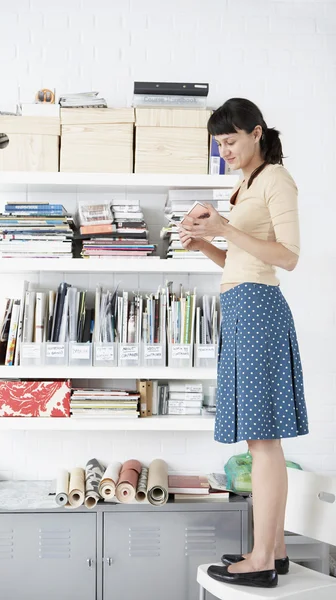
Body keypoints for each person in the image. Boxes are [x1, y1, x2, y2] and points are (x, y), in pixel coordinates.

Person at [179, 98, 309, 589]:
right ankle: (272, 553)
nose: (225, 150)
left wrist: (225, 228)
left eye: (230, 141)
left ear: (256, 133)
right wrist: (208, 243)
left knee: (263, 441)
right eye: (219, 144)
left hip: (258, 311)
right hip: (241, 307)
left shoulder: (275, 179)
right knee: (262, 440)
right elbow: (241, 263)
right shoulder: (246, 184)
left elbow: (289, 257)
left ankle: (261, 560)